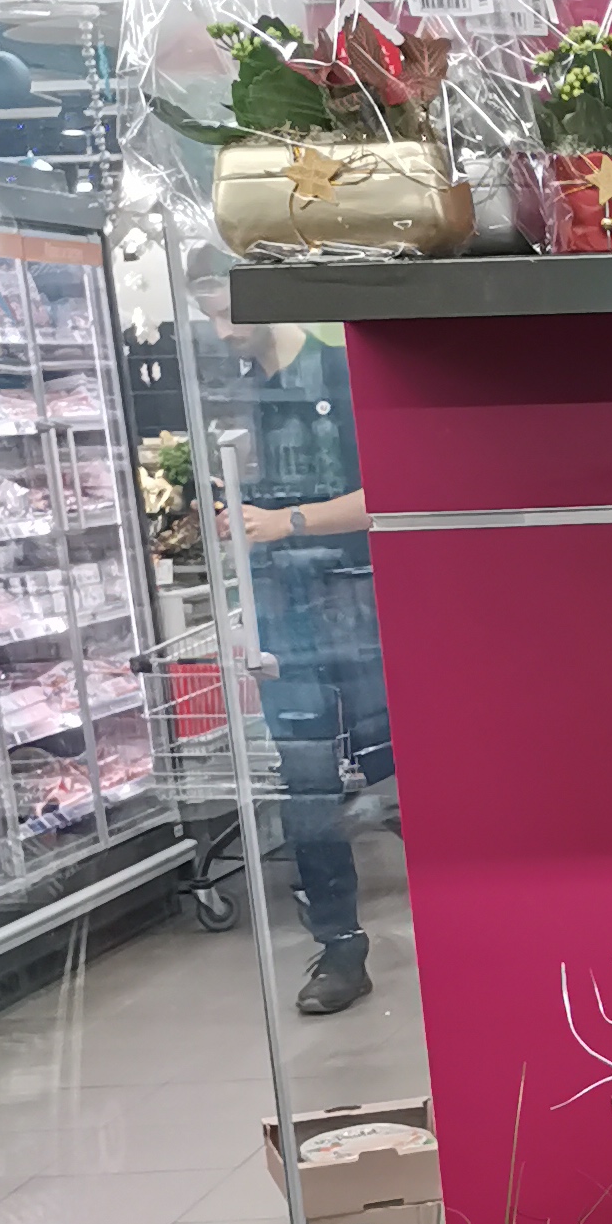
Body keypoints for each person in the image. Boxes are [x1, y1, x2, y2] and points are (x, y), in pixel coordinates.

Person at [231, 325, 390, 1016]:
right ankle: (341, 949)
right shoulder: (239, 393)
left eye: (223, 313)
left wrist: (285, 522)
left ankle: (472, 920)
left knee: (398, 778)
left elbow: (388, 495)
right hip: (283, 618)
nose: (218, 332)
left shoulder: (344, 377)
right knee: (307, 789)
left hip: (362, 611)